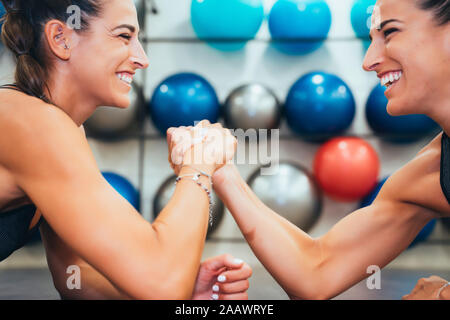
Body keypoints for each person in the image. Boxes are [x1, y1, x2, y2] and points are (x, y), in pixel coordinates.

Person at [168, 0, 450, 300]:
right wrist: (222, 170)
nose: (369, 61)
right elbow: (317, 272)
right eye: (371, 41)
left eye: (390, 32)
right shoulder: (433, 172)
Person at [0, 0, 252, 300]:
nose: (142, 59)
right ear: (61, 39)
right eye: (123, 36)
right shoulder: (32, 123)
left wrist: (187, 286)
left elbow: (75, 277)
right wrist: (198, 166)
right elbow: (163, 286)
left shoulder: (61, 127)